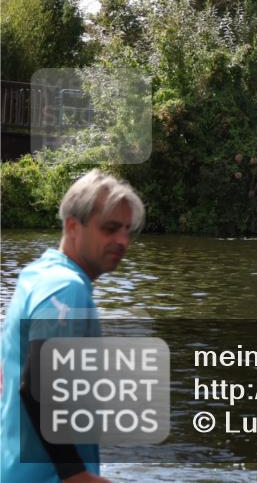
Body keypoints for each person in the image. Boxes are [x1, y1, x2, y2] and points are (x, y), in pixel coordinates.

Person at [1, 169, 145, 483]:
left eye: (126, 230)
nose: (122, 241)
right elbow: (36, 386)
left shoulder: (38, 274)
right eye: (109, 229)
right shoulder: (67, 290)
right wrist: (76, 474)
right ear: (72, 226)